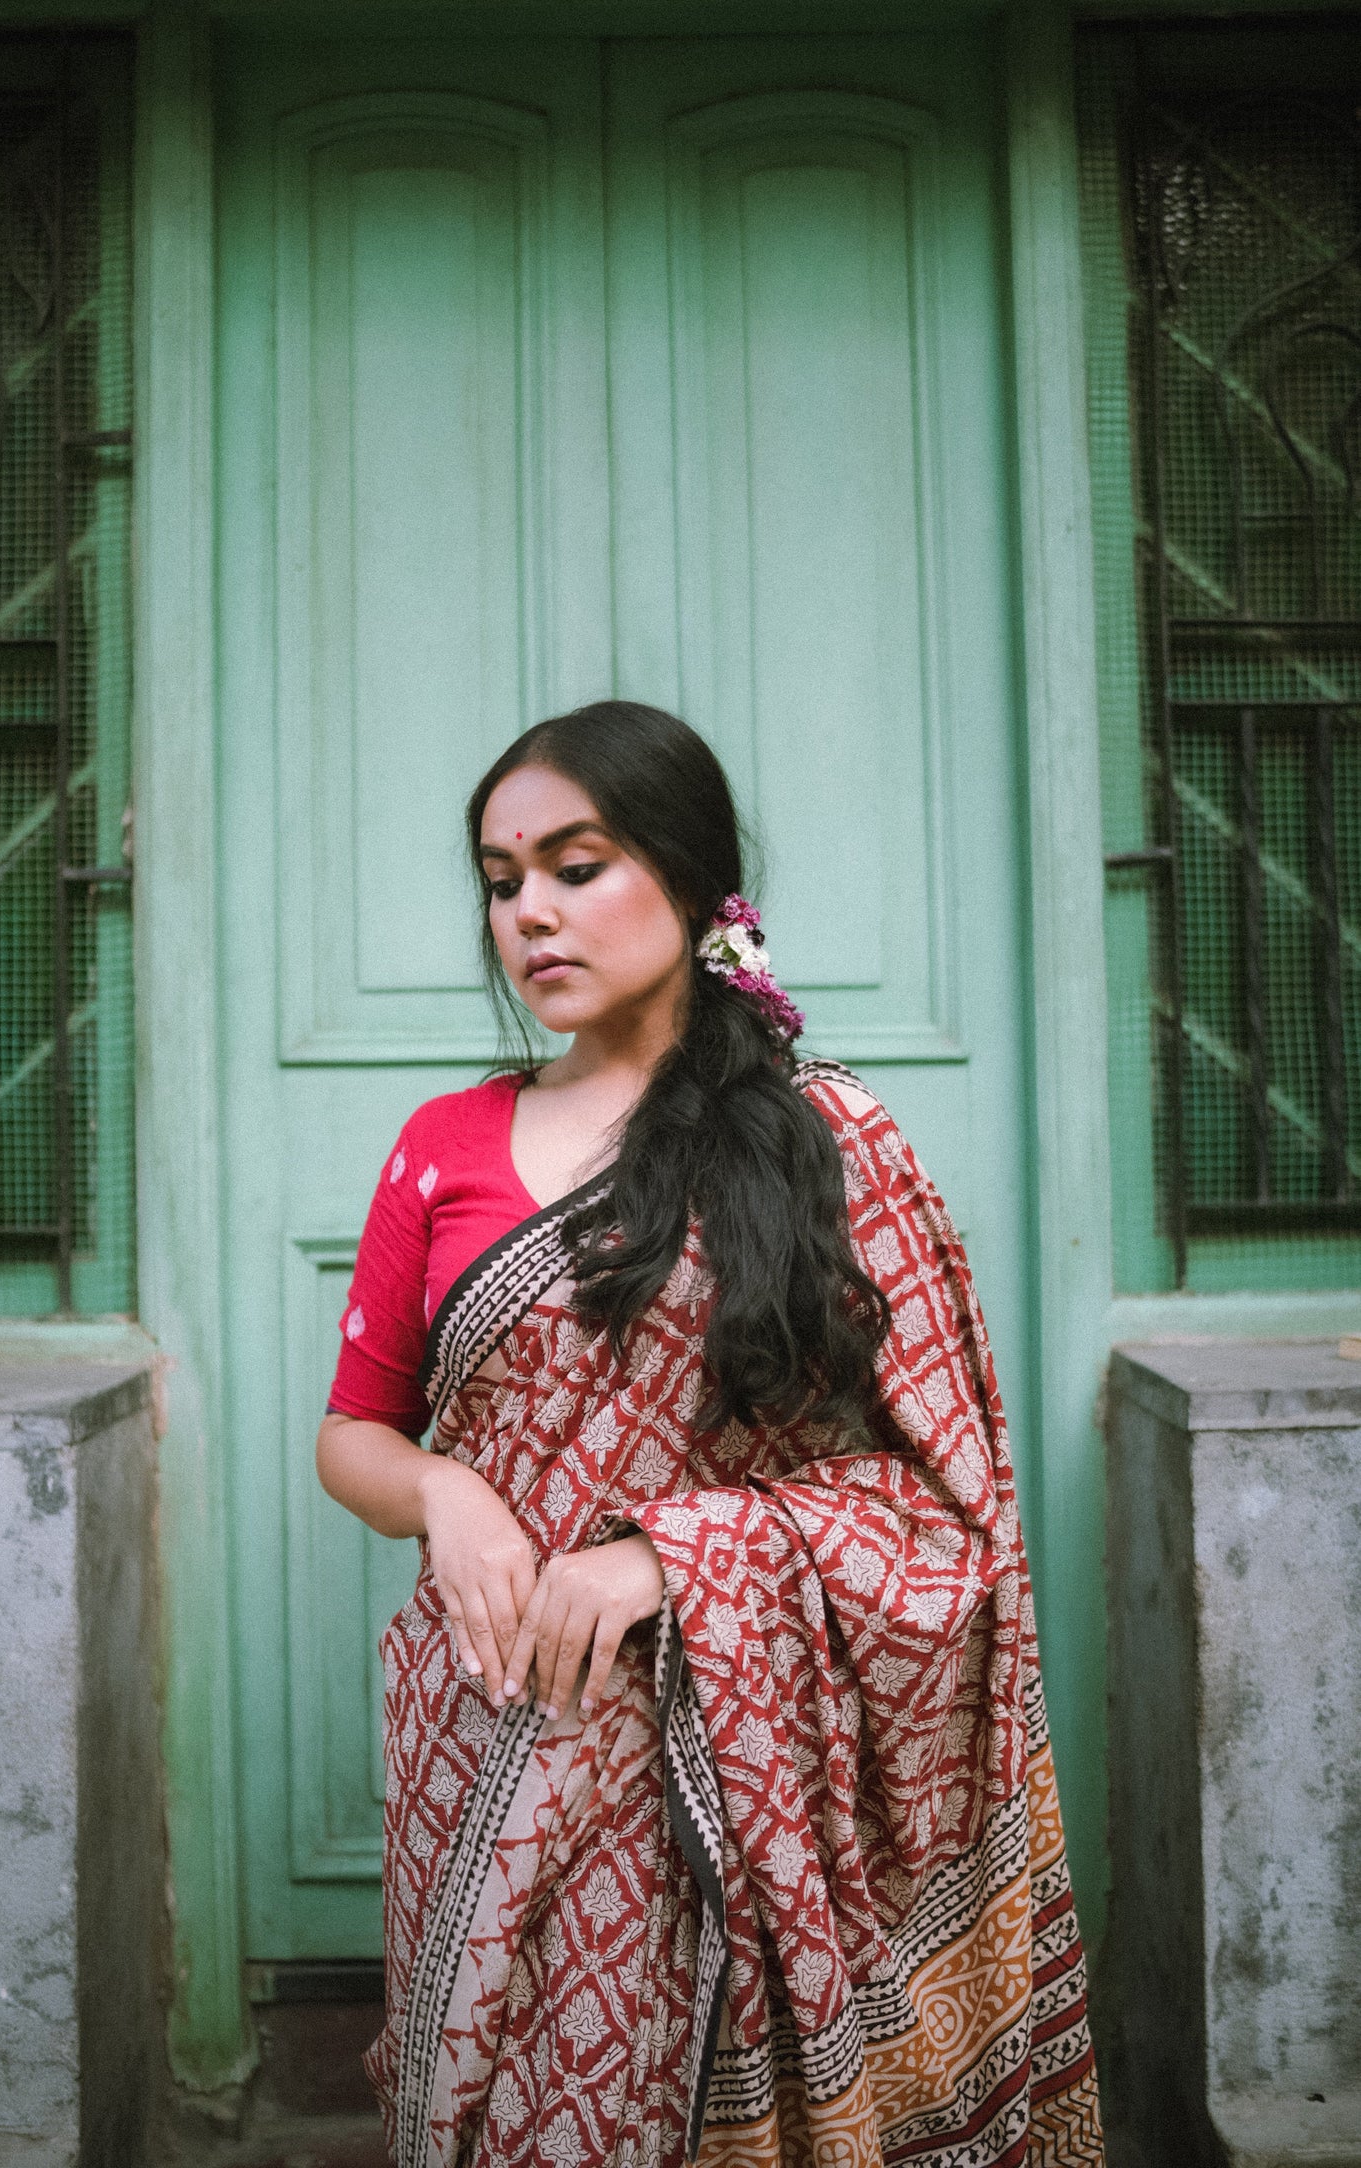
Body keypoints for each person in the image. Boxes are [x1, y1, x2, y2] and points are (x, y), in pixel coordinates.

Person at [316, 701, 1105, 2168]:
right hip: (484, 1731)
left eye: (576, 864)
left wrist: (669, 1559)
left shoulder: (827, 1139)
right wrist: (442, 1490)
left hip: (735, 1762)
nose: (530, 914)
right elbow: (352, 1435)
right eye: (502, 881)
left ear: (689, 883)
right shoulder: (442, 1143)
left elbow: (942, 1506)